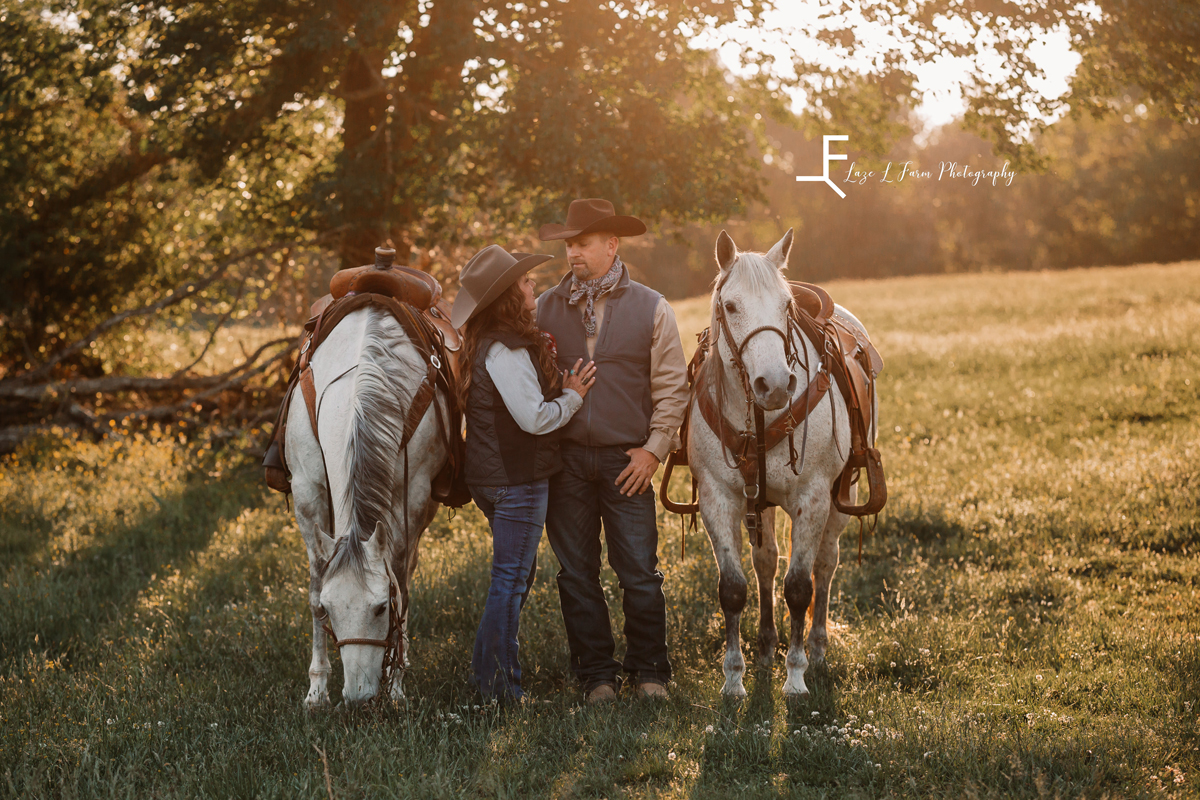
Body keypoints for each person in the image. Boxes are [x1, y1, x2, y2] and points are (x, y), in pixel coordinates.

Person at [535, 199, 690, 702]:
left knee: (639, 573)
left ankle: (650, 673)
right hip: (566, 463)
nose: (573, 252)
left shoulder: (652, 306)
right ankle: (596, 676)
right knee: (576, 574)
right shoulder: (544, 309)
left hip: (629, 461)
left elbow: (673, 388)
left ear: (611, 245)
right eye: (569, 244)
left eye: (582, 243)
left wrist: (653, 451)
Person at [450, 244, 598, 704]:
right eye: (525, 281)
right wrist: (573, 397)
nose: (533, 284)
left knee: (514, 576)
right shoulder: (506, 349)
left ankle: (486, 676)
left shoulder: (489, 341)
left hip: (495, 478)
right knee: (511, 580)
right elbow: (533, 418)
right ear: (509, 295)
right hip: (515, 480)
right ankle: (500, 693)